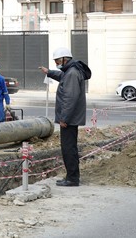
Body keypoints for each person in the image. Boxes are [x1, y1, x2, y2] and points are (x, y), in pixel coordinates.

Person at [39, 46, 92, 187]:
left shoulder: (72, 73)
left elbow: (70, 98)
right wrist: (49, 72)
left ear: (65, 59)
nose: (56, 63)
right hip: (71, 118)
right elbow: (62, 76)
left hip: (69, 119)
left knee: (68, 148)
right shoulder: (70, 71)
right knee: (69, 147)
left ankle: (72, 179)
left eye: (57, 61)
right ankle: (71, 176)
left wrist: (64, 118)